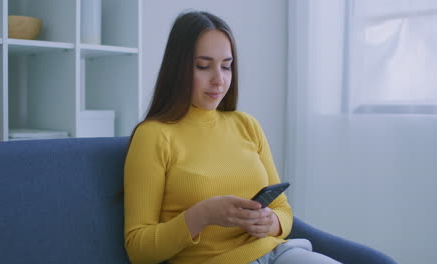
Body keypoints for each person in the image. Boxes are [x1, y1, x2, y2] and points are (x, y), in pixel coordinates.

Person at [124, 10, 340, 264]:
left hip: (278, 254)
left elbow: (283, 210)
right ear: (178, 68)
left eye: (226, 66)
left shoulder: (247, 125)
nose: (219, 79)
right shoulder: (153, 135)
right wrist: (202, 215)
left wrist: (271, 223)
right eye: (203, 66)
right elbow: (138, 248)